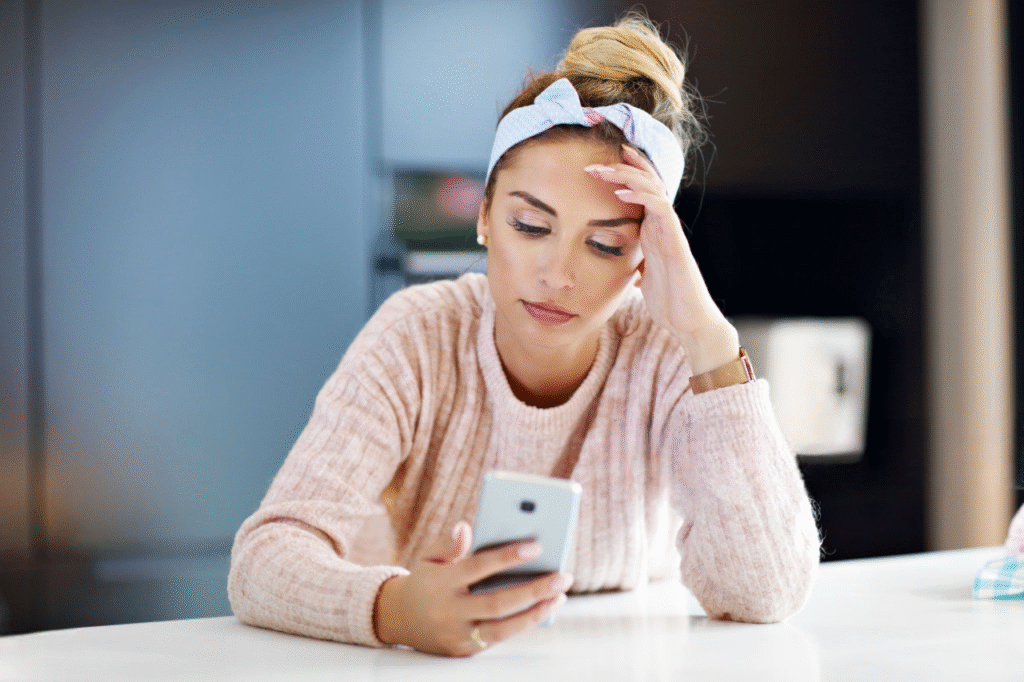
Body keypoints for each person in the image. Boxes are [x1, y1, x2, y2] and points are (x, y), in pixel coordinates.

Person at [228, 13, 821, 657]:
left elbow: (766, 593)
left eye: (604, 244)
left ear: (644, 256)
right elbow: (263, 562)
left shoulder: (669, 354)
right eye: (531, 227)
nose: (557, 276)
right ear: (484, 216)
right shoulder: (419, 336)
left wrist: (708, 337)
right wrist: (396, 612)